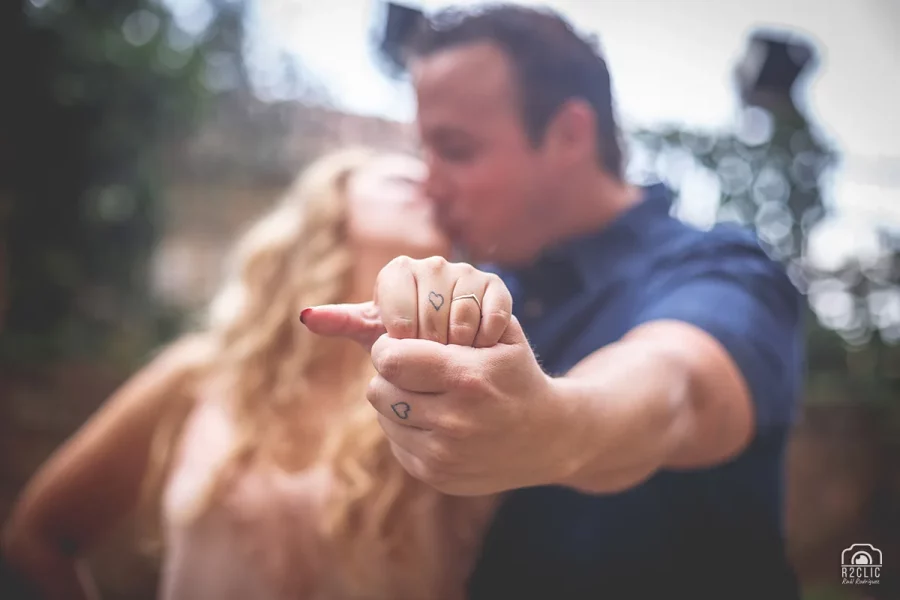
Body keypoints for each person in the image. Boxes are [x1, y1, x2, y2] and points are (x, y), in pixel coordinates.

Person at [300, 5, 806, 599]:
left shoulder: (719, 268)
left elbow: (676, 392)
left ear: (568, 134)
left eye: (457, 150)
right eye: (425, 151)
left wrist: (552, 427)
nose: (429, 183)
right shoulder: (476, 276)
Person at [1, 148, 498, 600]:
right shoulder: (200, 378)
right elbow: (39, 538)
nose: (432, 188)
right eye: (403, 180)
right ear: (330, 212)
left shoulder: (452, 392)